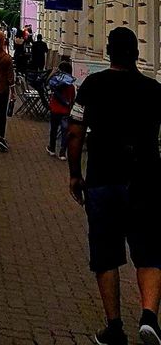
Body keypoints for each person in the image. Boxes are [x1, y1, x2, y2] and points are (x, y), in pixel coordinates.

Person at [67, 27, 161, 345]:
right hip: (145, 183)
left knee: (106, 256)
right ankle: (149, 317)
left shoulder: (92, 85)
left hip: (103, 181)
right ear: (136, 53)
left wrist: (74, 174)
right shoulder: (154, 90)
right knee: (149, 254)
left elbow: (75, 131)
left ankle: (115, 327)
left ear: (108, 52)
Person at [47, 59, 75, 160]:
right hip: (65, 111)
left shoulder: (55, 83)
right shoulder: (71, 86)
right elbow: (72, 99)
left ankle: (52, 148)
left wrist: (52, 73)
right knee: (64, 132)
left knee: (53, 130)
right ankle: (63, 152)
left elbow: (46, 83)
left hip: (55, 109)